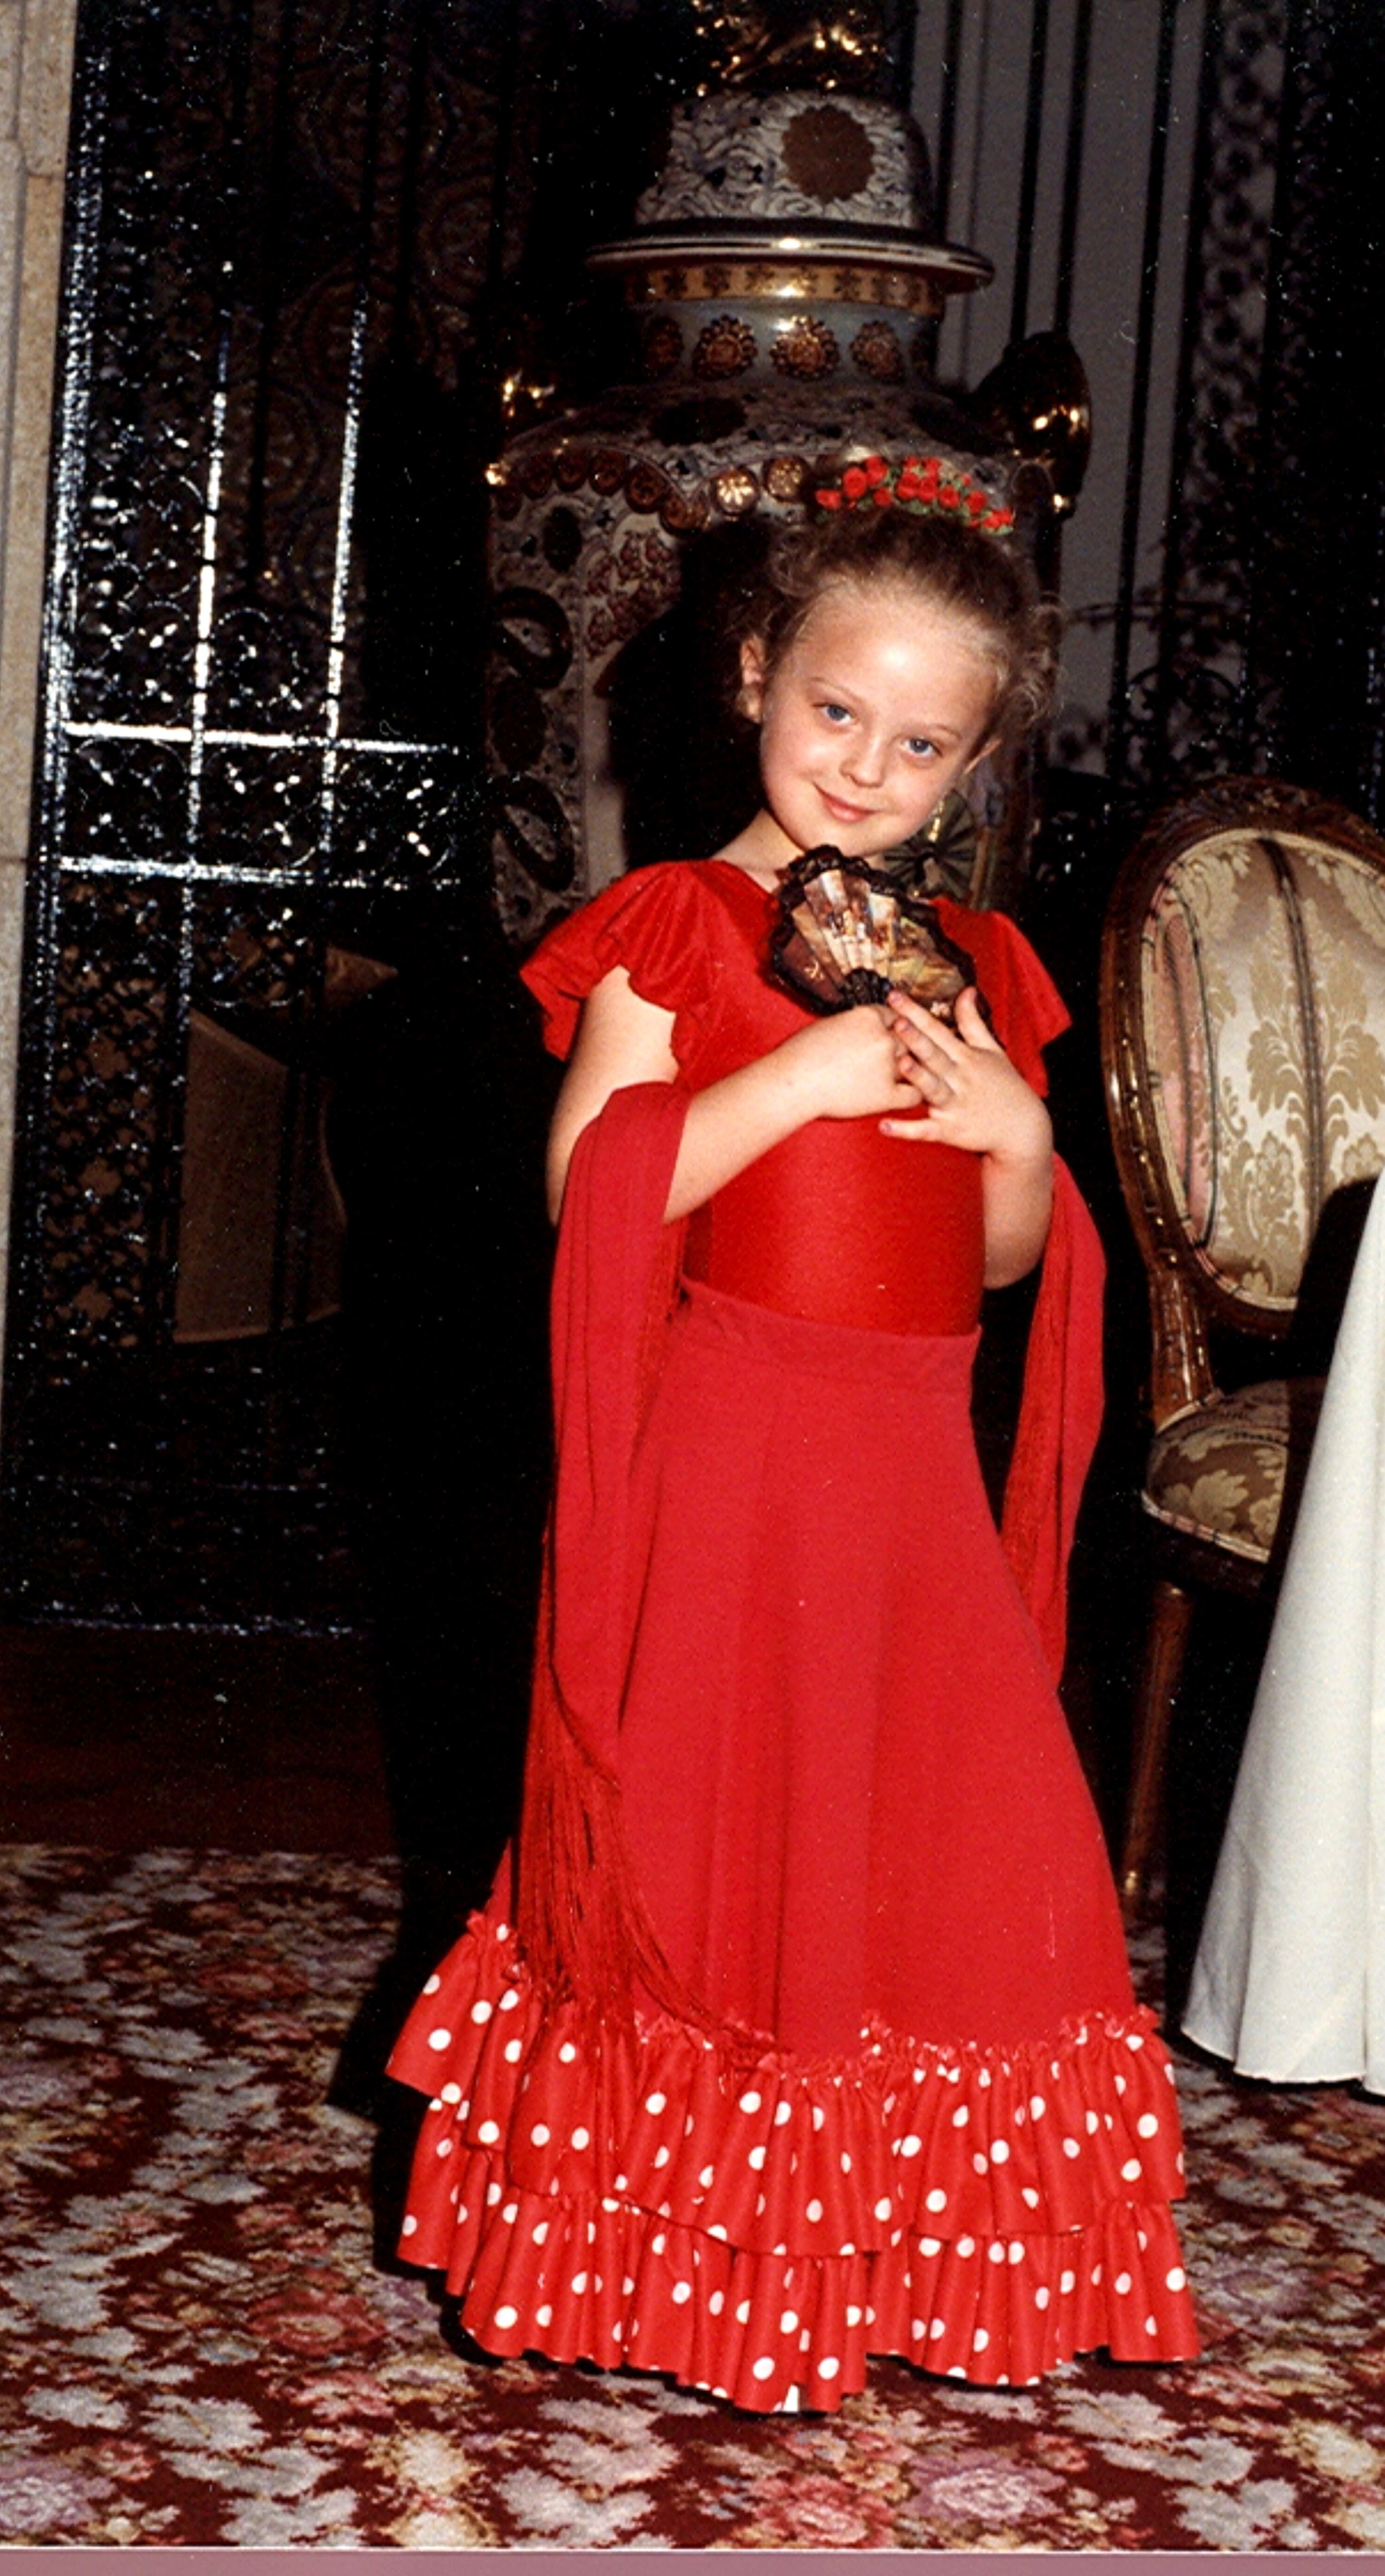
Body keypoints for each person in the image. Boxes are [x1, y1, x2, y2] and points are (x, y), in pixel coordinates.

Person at [385, 451, 1199, 2413]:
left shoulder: (980, 965)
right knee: (721, 1841)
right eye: (837, 711)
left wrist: (1015, 1140)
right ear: (756, 672)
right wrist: (810, 1070)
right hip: (737, 1460)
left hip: (909, 1471)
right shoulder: (672, 920)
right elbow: (600, 1183)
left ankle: (906, 2245)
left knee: (976, 1843)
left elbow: (997, 1256)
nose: (864, 765)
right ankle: (684, 2265)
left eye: (920, 745)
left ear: (972, 768)